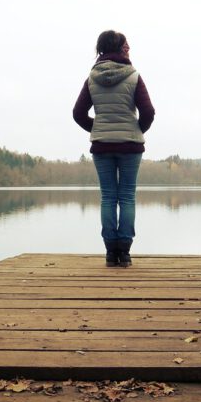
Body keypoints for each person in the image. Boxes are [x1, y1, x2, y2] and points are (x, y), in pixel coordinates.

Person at [73, 30, 155, 267]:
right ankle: (125, 253)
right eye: (126, 45)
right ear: (118, 49)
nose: (129, 48)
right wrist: (136, 130)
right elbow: (148, 112)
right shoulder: (134, 76)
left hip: (102, 147)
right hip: (131, 146)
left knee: (108, 197)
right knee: (127, 196)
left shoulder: (91, 79)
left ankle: (111, 253)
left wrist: (98, 128)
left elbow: (78, 114)